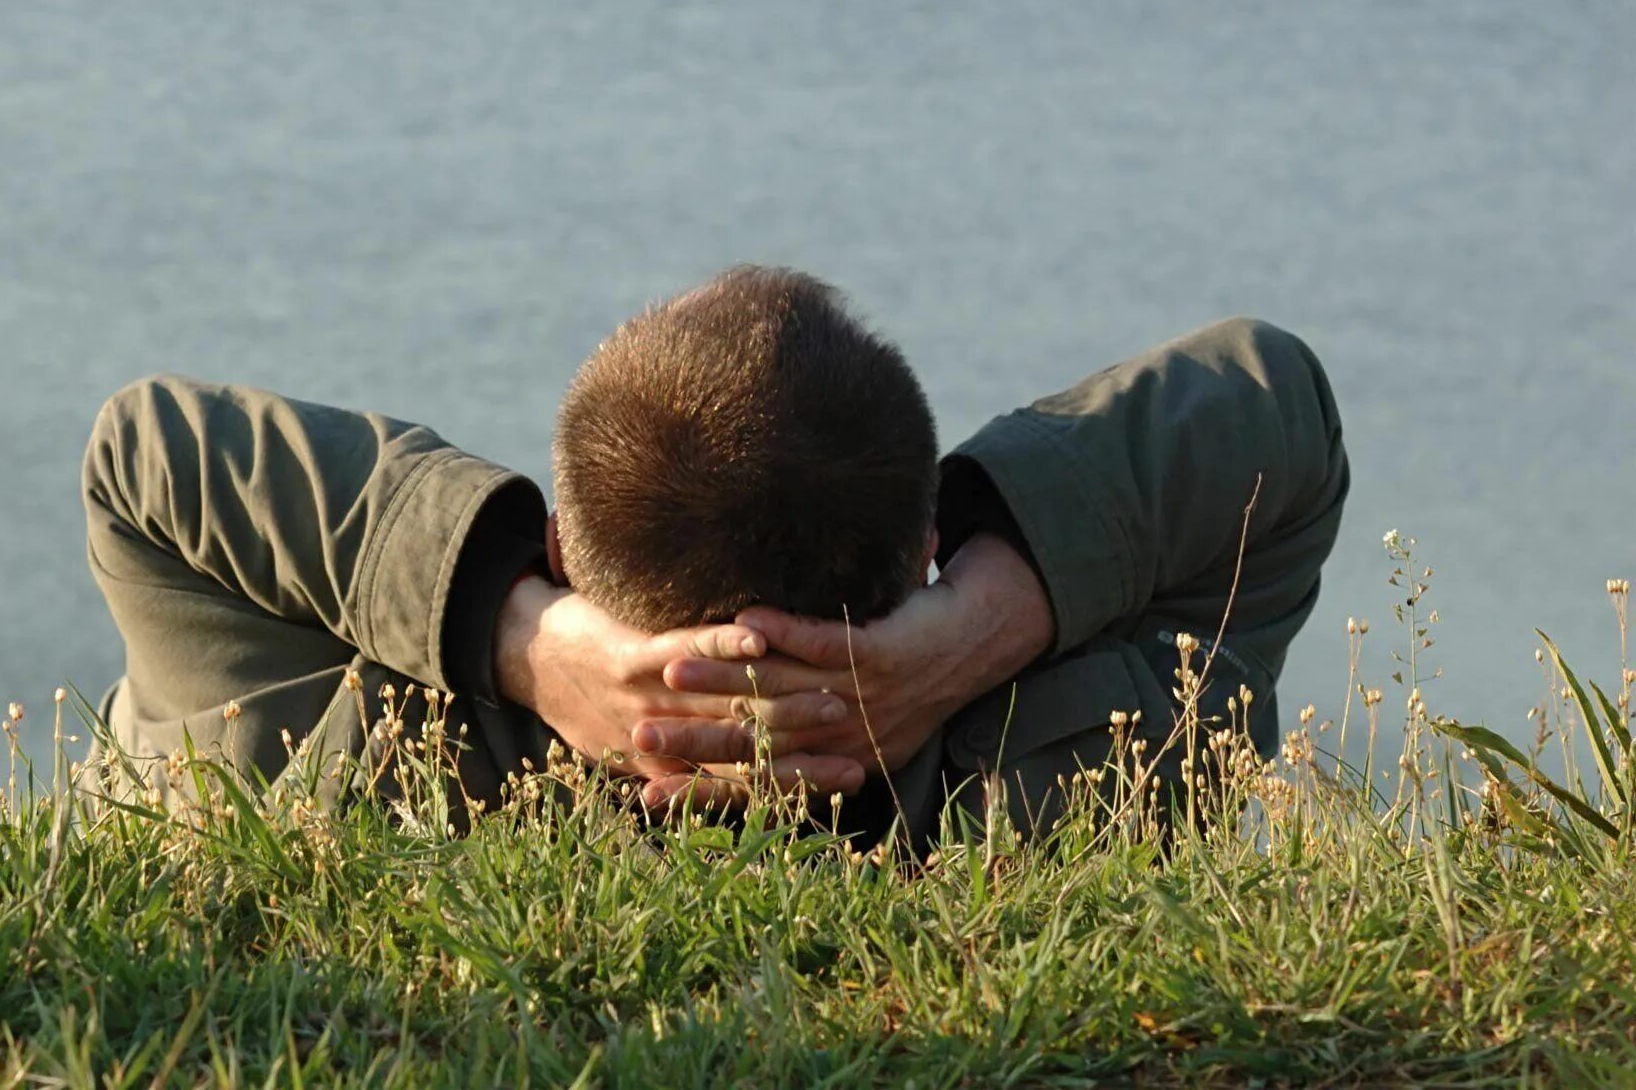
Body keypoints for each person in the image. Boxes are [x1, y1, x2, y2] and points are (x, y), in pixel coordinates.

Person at [80, 267, 1348, 847]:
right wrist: (970, 635)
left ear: (563, 548)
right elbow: (1269, 400)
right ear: (921, 550)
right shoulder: (1085, 769)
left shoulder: (346, 737)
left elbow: (145, 454)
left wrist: (520, 640)